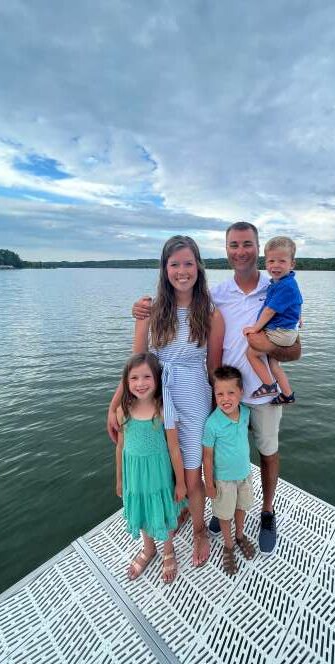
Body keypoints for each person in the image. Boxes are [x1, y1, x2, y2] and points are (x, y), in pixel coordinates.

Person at [133, 222, 300, 555]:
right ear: (225, 250)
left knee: (267, 454)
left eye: (248, 244)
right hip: (223, 394)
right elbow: (183, 312)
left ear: (260, 249)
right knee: (222, 457)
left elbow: (295, 350)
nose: (241, 251)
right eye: (234, 245)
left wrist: (265, 347)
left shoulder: (278, 288)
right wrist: (140, 311)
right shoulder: (216, 295)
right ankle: (218, 508)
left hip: (264, 393)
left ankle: (267, 512)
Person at [108, 236, 224, 567]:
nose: (182, 271)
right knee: (163, 470)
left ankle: (200, 530)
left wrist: (220, 413)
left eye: (189, 263)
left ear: (199, 268)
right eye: (174, 264)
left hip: (193, 399)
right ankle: (172, 519)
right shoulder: (150, 310)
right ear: (164, 268)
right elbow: (136, 364)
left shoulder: (212, 314)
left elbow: (214, 368)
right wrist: (115, 404)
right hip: (155, 401)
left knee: (191, 474)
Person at [115, 352, 187, 583]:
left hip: (159, 476)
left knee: (161, 511)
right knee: (142, 509)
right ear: (127, 382)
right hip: (134, 476)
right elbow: (120, 447)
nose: (140, 383)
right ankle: (148, 548)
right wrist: (119, 479)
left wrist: (182, 482)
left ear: (157, 379)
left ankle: (168, 549)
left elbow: (174, 449)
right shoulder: (123, 410)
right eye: (134, 378)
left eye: (147, 376)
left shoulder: (163, 410)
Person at [203, 366, 256, 575]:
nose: (225, 398)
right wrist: (209, 483)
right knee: (225, 515)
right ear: (214, 395)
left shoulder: (246, 412)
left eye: (231, 392)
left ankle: (240, 536)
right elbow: (207, 456)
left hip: (244, 474)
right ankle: (228, 545)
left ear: (241, 392)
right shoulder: (212, 424)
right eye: (220, 394)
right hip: (223, 480)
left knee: (242, 507)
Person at [243, 236, 302, 404]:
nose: (275, 265)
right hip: (286, 330)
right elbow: (298, 300)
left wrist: (254, 328)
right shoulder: (284, 283)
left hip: (281, 331)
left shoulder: (285, 285)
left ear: (292, 264)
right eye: (271, 261)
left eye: (282, 261)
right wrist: (299, 316)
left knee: (251, 353)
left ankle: (268, 385)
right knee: (274, 365)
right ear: (266, 263)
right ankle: (287, 395)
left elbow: (269, 311)